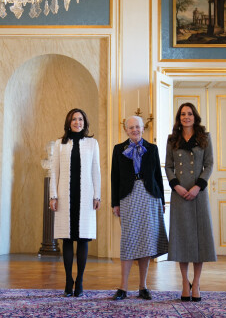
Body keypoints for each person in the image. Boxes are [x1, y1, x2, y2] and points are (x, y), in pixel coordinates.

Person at [111, 115, 168, 301]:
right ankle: (123, 288)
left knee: (146, 240)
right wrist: (115, 203)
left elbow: (158, 176)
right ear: (126, 130)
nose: (134, 130)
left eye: (138, 127)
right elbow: (115, 178)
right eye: (131, 127)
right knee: (128, 240)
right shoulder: (118, 149)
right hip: (128, 196)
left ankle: (143, 287)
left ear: (143, 129)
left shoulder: (152, 149)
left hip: (150, 196)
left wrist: (162, 200)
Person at [165, 103, 215, 302]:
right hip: (179, 194)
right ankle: (185, 283)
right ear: (179, 117)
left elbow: (209, 164)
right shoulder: (172, 139)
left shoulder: (205, 137)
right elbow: (168, 166)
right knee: (182, 239)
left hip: (198, 193)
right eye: (183, 114)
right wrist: (176, 186)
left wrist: (198, 186)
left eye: (190, 113)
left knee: (199, 240)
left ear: (195, 116)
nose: (187, 117)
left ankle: (197, 282)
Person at [49, 108, 101, 297]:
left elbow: (96, 170)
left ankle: (79, 281)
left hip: (86, 196)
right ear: (68, 123)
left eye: (80, 119)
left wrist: (97, 195)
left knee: (83, 239)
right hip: (65, 196)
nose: (77, 122)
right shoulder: (59, 144)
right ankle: (68, 280)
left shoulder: (92, 143)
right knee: (67, 239)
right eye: (74, 119)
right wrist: (53, 196)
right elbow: (54, 171)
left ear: (85, 122)